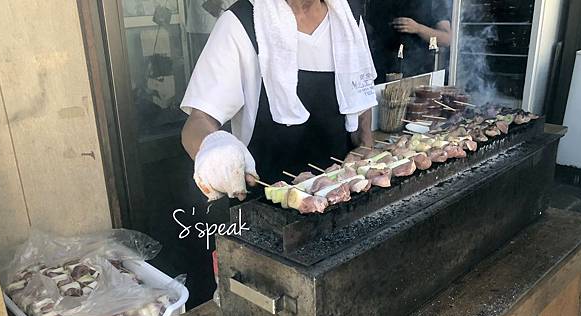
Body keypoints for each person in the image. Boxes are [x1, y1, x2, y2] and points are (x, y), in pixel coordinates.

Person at [180, 0, 377, 201]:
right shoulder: (242, 22)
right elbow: (199, 119)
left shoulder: (348, 16)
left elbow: (362, 91)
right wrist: (213, 148)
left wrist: (364, 143)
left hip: (343, 198)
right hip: (265, 205)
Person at [366, 0, 452, 81]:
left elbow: (446, 39)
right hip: (378, 69)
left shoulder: (433, 2)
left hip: (417, 73)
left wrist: (418, 28)